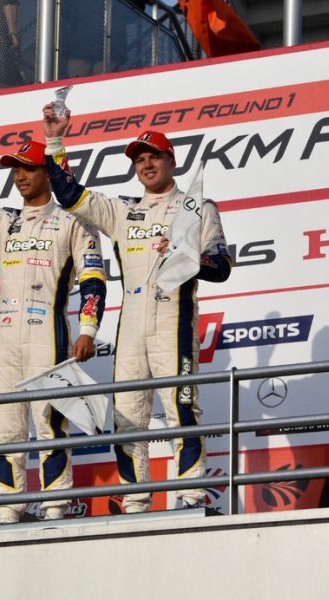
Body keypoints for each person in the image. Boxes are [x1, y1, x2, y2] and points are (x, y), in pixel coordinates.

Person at [42, 106, 233, 513]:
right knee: (127, 417)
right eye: (139, 160)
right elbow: (70, 195)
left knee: (182, 407)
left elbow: (223, 267)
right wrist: (56, 141)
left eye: (154, 157)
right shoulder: (123, 211)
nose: (146, 165)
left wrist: (190, 257)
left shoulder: (197, 207)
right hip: (130, 329)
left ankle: (191, 497)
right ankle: (134, 501)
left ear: (171, 161)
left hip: (173, 323)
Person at [0, 110, 106, 523]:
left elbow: (94, 279)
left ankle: (55, 506)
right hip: (6, 337)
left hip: (49, 332)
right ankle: (8, 508)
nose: (20, 176)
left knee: (50, 423)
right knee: (7, 427)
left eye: (29, 167)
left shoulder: (75, 222)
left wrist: (87, 330)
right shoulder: (2, 222)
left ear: (49, 172)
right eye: (15, 169)